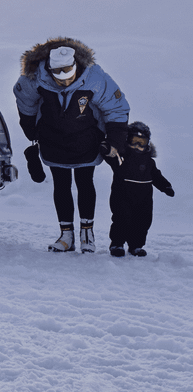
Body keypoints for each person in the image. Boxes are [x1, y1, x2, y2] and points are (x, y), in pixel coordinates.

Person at [14, 37, 129, 253]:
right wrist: (31, 130)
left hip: (86, 141)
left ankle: (87, 233)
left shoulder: (95, 78)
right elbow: (25, 101)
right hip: (52, 140)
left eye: (69, 77)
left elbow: (116, 107)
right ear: (49, 69)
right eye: (59, 78)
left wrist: (114, 141)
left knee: (85, 183)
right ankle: (66, 235)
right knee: (61, 185)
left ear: (76, 66)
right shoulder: (34, 79)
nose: (65, 82)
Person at [105, 121, 174, 257]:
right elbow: (111, 157)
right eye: (134, 141)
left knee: (143, 221)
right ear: (127, 140)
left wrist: (165, 186)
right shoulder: (122, 158)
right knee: (121, 219)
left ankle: (136, 245)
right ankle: (117, 244)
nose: (137, 146)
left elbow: (156, 175)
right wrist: (106, 149)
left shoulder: (149, 161)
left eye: (141, 142)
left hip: (144, 198)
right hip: (122, 196)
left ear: (147, 143)